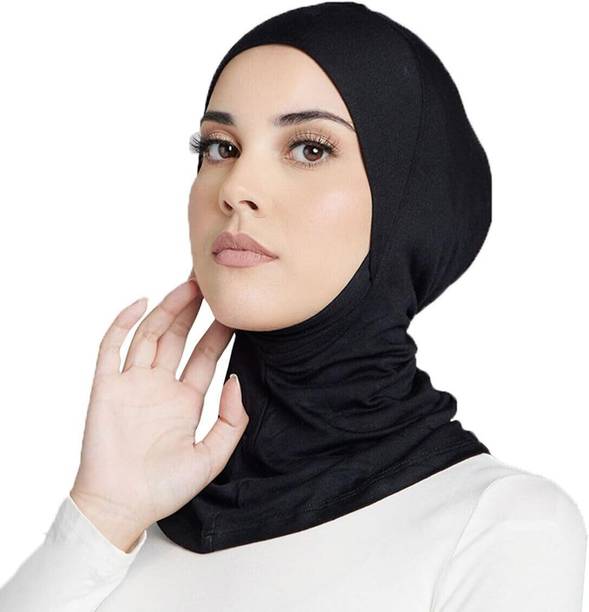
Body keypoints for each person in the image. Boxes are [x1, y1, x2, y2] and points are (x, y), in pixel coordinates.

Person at [1, 2, 586, 610]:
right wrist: (102, 513)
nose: (235, 189)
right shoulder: (138, 518)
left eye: (309, 149)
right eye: (221, 147)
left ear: (408, 201)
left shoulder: (501, 529)